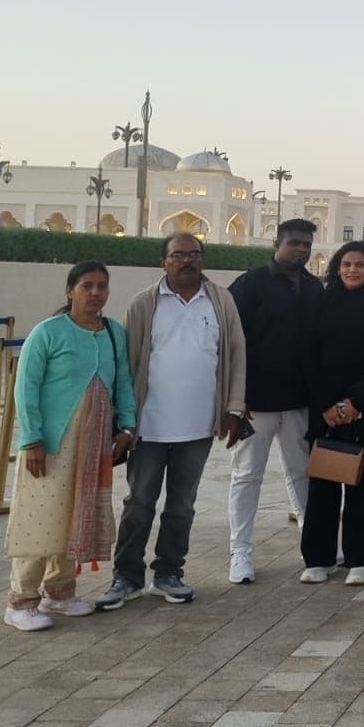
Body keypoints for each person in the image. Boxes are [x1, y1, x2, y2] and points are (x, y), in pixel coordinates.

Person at [96, 235, 248, 611]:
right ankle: (127, 576)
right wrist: (124, 422)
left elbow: (236, 353)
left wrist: (234, 407)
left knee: (182, 505)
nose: (186, 261)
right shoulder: (145, 304)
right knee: (139, 502)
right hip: (148, 427)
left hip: (197, 427)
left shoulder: (219, 300)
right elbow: (127, 365)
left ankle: (168, 573)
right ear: (163, 261)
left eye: (193, 255)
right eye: (178, 255)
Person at [4, 262, 137, 630]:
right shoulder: (48, 332)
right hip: (50, 443)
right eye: (87, 286)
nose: (95, 293)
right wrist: (30, 438)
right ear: (70, 290)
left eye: (102, 286)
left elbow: (124, 379)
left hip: (93, 444)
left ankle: (59, 592)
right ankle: (21, 599)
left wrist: (127, 426)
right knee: (40, 516)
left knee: (72, 513)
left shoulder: (113, 332)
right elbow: (25, 387)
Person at [226, 218, 322, 584]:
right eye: (294, 243)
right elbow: (231, 343)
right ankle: (240, 553)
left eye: (307, 245)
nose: (301, 250)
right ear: (277, 243)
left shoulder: (315, 288)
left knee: (302, 475)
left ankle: (314, 548)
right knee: (247, 476)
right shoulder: (250, 285)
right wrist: (235, 399)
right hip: (256, 403)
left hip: (300, 402)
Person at [299, 240, 364, 586]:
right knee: (322, 486)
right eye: (346, 265)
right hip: (325, 411)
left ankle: (359, 559)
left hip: (363, 411)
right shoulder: (321, 303)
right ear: (336, 268)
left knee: (361, 486)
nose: (352, 271)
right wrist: (327, 404)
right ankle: (319, 558)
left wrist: (354, 402)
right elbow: (309, 356)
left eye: (359, 265)